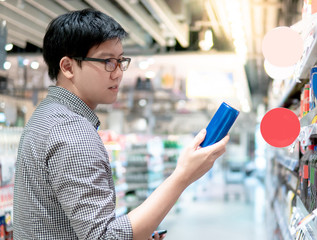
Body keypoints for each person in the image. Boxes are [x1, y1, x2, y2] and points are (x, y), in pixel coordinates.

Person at [13, 8, 229, 240]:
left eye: (120, 61)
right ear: (67, 67)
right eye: (107, 62)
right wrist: (182, 176)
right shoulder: (72, 131)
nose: (118, 73)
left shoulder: (45, 114)